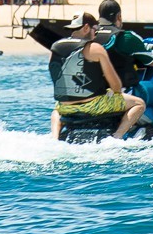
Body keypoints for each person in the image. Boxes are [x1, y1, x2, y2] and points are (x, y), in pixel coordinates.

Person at [48, 12, 144, 140]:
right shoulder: (94, 48)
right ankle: (117, 136)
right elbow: (116, 86)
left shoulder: (55, 47)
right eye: (95, 30)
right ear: (86, 28)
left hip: (65, 107)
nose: (95, 34)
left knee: (56, 110)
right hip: (93, 105)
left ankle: (54, 138)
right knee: (139, 104)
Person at [95, 0, 153, 134]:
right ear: (119, 17)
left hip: (96, 93)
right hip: (125, 92)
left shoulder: (90, 36)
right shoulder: (126, 37)